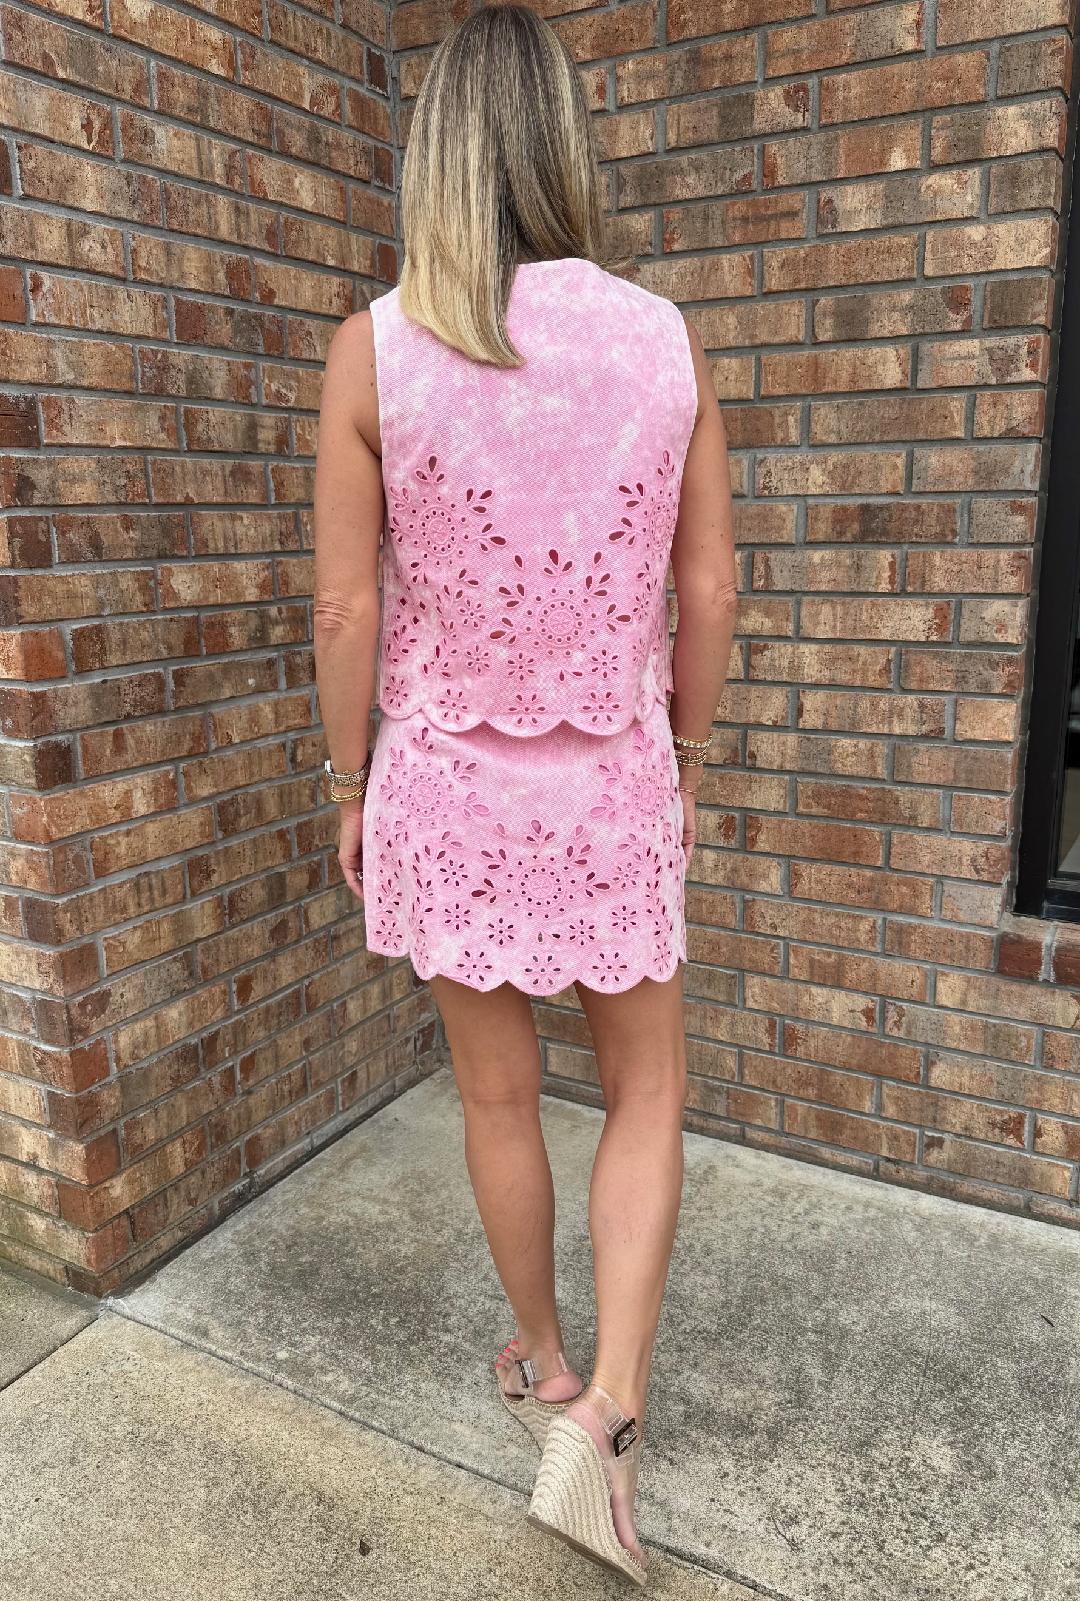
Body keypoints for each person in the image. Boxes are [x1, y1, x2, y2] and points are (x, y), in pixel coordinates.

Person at [312, 3, 737, 1584]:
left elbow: (345, 609)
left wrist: (346, 780)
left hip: (445, 782)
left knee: (498, 1095)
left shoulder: (375, 347)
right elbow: (710, 588)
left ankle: (548, 1361)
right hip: (615, 777)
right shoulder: (664, 341)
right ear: (562, 140)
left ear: (436, 150)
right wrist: (685, 747)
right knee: (647, 1087)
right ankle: (611, 1411)